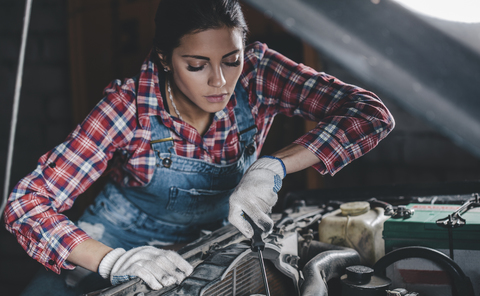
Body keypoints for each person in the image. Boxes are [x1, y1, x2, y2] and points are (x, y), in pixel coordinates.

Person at [4, 0, 395, 295]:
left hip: (212, 239)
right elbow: (25, 203)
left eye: (231, 60)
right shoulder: (129, 106)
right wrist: (113, 259)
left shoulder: (258, 74)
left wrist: (271, 167)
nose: (220, 82)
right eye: (197, 65)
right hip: (115, 239)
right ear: (164, 58)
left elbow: (369, 114)